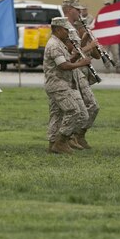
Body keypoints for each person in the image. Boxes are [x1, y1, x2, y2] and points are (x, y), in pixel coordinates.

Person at [43, 16, 91, 154]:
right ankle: (61, 141)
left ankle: (53, 144)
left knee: (57, 115)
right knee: (74, 111)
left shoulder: (59, 43)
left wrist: (76, 57)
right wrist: (81, 63)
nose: (68, 33)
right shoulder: (54, 45)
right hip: (58, 84)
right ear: (58, 29)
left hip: (61, 83)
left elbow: (66, 60)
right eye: (66, 30)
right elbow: (63, 65)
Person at [62, 0, 100, 148]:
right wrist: (86, 44)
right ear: (69, 9)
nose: (80, 13)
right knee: (83, 108)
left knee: (89, 107)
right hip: (72, 72)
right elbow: (70, 56)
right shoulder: (64, 29)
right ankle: (68, 137)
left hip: (82, 74)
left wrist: (89, 42)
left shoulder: (76, 29)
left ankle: (78, 135)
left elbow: (96, 56)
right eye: (77, 10)